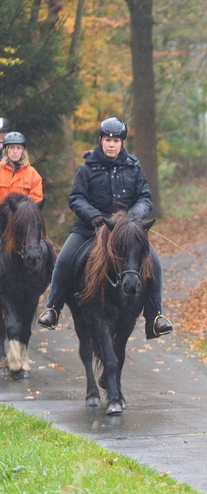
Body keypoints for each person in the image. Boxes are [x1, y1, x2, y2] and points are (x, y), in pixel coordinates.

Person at [37, 117, 172, 339]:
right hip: (91, 227)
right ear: (101, 141)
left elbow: (145, 198)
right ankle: (52, 308)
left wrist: (133, 217)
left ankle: (156, 316)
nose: (111, 144)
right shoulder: (87, 168)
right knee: (64, 259)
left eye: (116, 140)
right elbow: (77, 198)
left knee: (154, 263)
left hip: (126, 231)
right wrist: (95, 217)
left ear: (122, 143)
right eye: (108, 140)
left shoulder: (134, 165)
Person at [0, 131, 43, 203]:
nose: (15, 151)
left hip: (22, 213)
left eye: (18, 148)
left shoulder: (32, 174)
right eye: (11, 148)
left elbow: (36, 199)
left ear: (22, 151)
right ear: (6, 151)